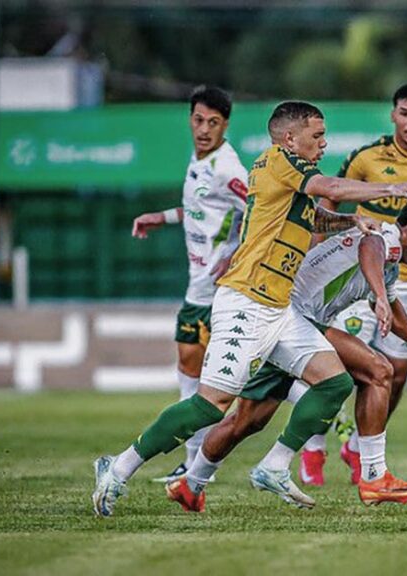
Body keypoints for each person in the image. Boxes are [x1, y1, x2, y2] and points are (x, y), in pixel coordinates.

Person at [91, 101, 407, 517]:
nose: (323, 144)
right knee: (210, 407)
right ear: (290, 138)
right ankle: (118, 467)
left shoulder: (291, 178)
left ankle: (274, 465)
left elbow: (316, 218)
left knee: (334, 383)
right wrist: (390, 189)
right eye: (317, 136)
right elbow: (333, 190)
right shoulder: (278, 161)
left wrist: (351, 222)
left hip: (278, 309)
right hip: (245, 302)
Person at [165, 197, 407, 511]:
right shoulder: (385, 240)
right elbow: (371, 247)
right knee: (379, 371)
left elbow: (397, 316)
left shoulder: (391, 265)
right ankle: (373, 476)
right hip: (295, 318)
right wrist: (378, 296)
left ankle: (191, 484)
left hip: (284, 321)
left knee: (247, 421)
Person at [309, 83, 407, 484]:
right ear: (393, 115)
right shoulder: (366, 158)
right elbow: (329, 203)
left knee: (395, 372)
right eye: (405, 113)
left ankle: (361, 450)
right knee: (345, 367)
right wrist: (314, 256)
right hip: (363, 280)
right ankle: (311, 450)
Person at [129, 86, 248, 483]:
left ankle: (198, 464)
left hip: (219, 292)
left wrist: (236, 255)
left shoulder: (228, 167)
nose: (204, 129)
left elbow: (260, 208)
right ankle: (195, 462)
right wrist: (158, 217)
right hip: (197, 288)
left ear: (225, 125)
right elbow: (200, 210)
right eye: (198, 120)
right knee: (189, 367)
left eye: (213, 122)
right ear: (190, 120)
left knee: (210, 381)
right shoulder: (198, 160)